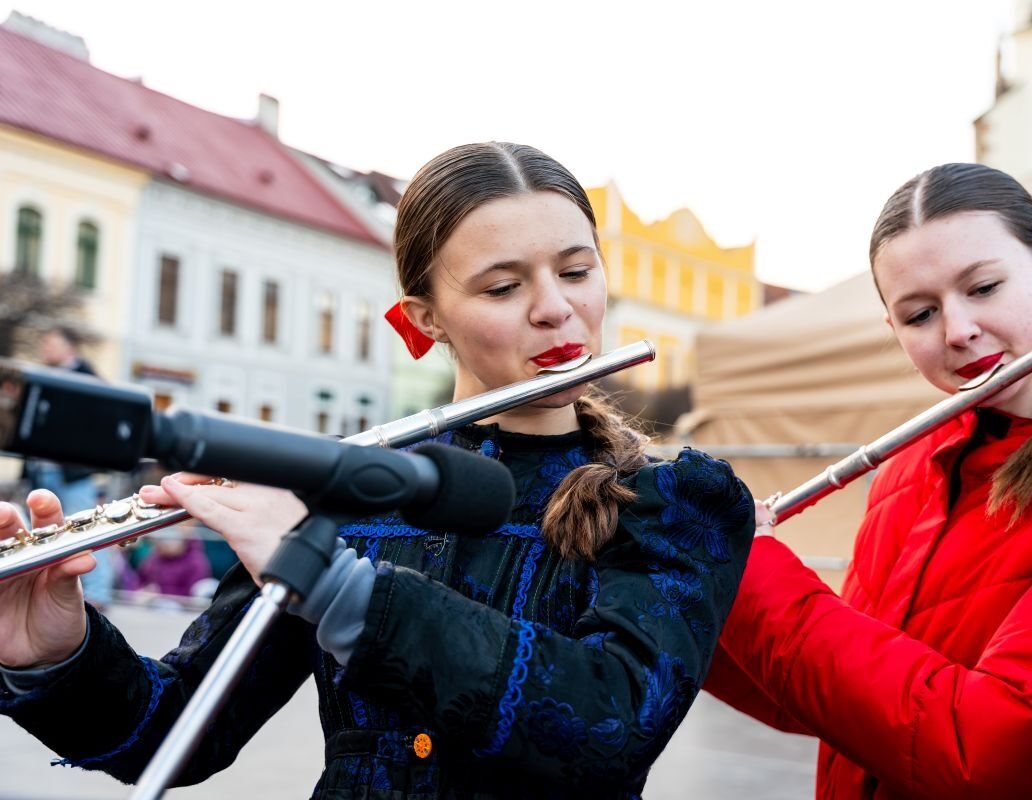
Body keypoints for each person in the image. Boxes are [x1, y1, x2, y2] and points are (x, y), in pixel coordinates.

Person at [0, 142, 755, 798]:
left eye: (576, 271)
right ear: (425, 318)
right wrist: (57, 655)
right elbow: (173, 733)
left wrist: (341, 587)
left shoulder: (676, 500)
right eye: (503, 286)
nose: (556, 308)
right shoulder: (345, 487)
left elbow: (608, 728)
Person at [705, 163, 1032, 798]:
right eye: (919, 314)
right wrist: (694, 589)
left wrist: (760, 576)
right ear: (895, 331)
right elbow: (851, 705)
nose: (958, 330)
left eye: (984, 287)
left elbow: (992, 755)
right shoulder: (908, 473)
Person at [21, 325, 117, 609]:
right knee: (42, 533)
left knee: (86, 529)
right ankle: (44, 592)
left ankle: (98, 594)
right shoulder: (42, 376)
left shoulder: (88, 380)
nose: (45, 348)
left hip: (73, 472)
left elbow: (102, 425)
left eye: (51, 342)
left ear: (70, 347)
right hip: (42, 469)